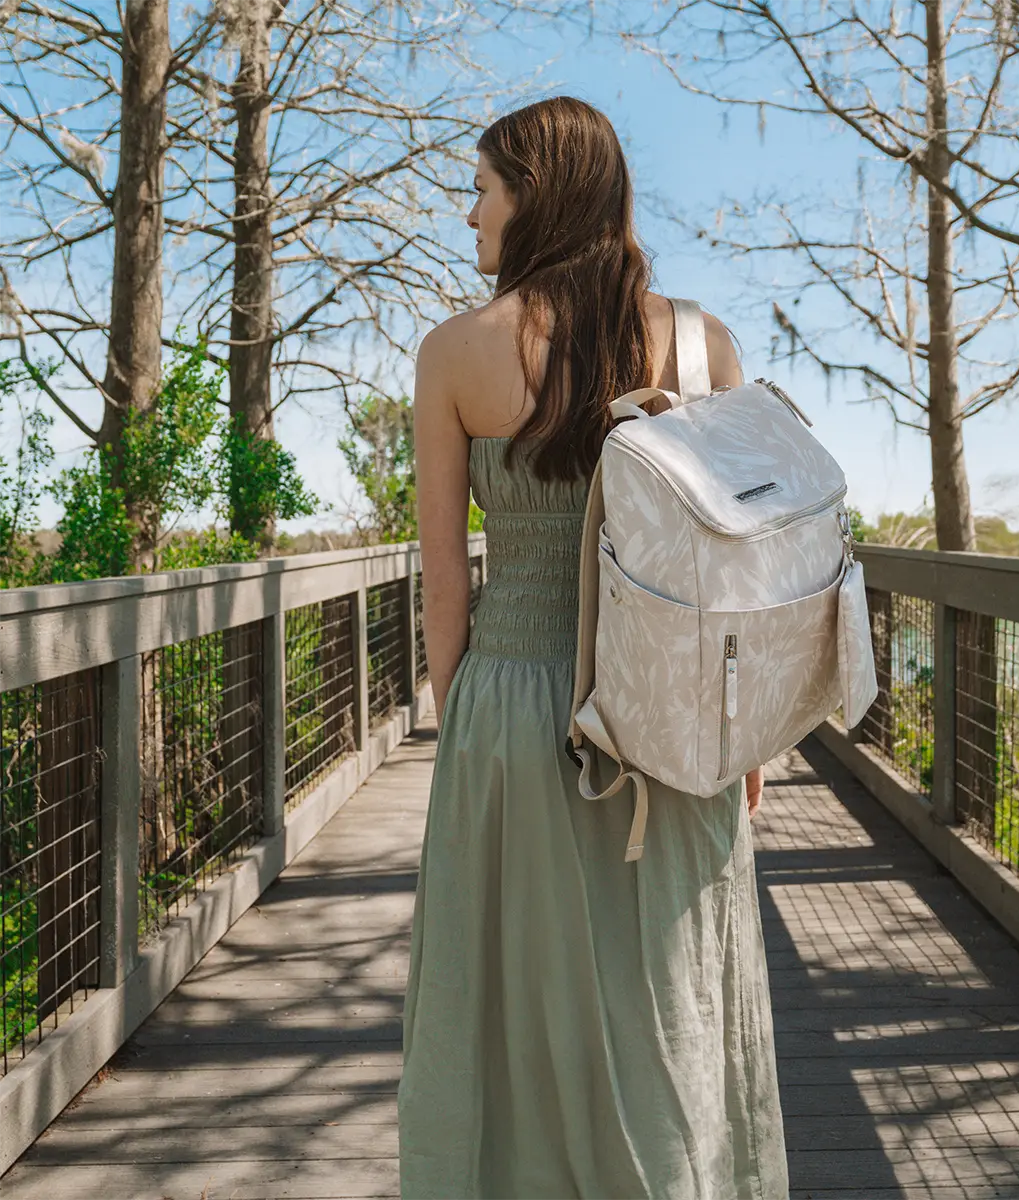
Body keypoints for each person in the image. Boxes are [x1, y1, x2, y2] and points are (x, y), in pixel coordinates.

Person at [396, 95, 788, 1199]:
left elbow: (444, 584)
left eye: (482, 188)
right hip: (674, 720)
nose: (469, 213)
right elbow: (740, 569)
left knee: (518, 1003)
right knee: (669, 998)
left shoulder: (453, 354)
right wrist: (745, 743)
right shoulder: (703, 342)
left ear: (535, 195)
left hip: (512, 710)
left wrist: (459, 722)